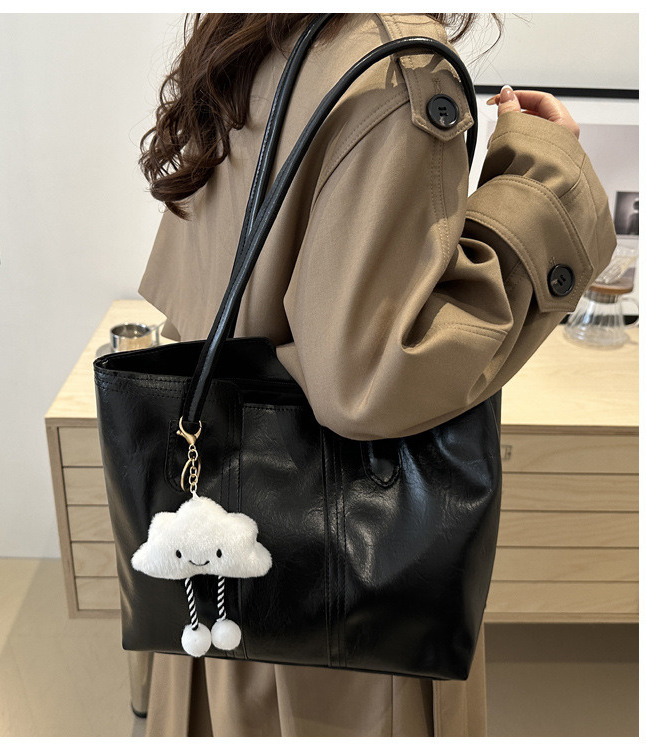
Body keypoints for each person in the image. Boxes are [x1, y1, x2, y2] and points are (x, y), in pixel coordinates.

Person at [135, 13, 617, 737]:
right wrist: (545, 178)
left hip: (220, 545)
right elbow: (372, 380)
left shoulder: (255, 31)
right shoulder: (396, 72)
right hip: (340, 601)